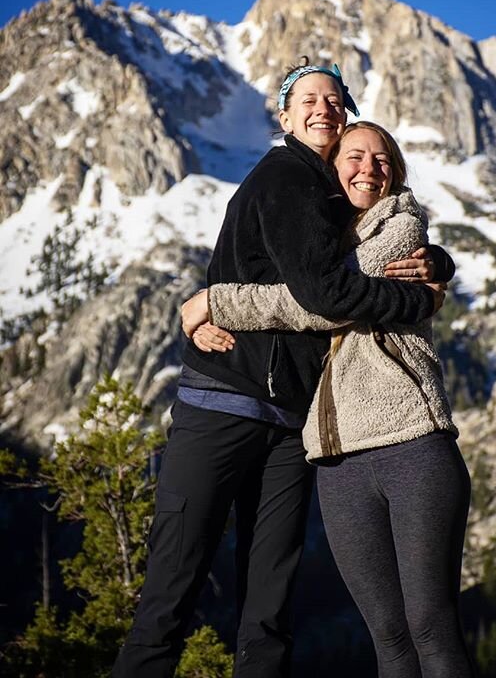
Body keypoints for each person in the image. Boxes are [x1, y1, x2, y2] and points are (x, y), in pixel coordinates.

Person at [113, 62, 443, 678]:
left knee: (265, 604)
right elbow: (325, 295)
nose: (324, 107)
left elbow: (364, 249)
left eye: (335, 98)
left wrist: (435, 265)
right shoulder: (287, 178)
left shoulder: (327, 193)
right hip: (224, 404)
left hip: (290, 423)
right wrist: (416, 300)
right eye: (308, 99)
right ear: (284, 118)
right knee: (180, 591)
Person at [183, 121, 476, 677]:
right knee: (387, 637)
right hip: (338, 461)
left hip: (410, 444)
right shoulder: (316, 235)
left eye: (383, 159)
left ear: (397, 174)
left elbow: (319, 302)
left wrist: (213, 302)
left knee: (431, 626)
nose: (370, 167)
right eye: (355, 157)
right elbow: (302, 282)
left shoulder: (400, 224)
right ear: (331, 170)